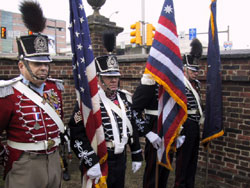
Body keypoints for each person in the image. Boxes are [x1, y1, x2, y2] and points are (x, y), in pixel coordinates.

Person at [0, 1, 65, 187]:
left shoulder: (55, 89)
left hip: (53, 160)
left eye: (46, 63)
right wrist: (9, 157)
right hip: (25, 164)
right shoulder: (8, 93)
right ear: (22, 65)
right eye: (37, 64)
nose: (44, 68)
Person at [68, 32, 143, 188]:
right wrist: (89, 160)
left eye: (116, 75)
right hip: (100, 156)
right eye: (109, 76)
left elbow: (132, 127)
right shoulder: (89, 102)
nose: (114, 80)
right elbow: (76, 133)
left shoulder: (125, 98)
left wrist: (136, 153)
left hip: (121, 157)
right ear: (99, 78)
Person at [132, 73, 173, 188]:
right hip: (155, 130)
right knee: (152, 174)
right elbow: (134, 110)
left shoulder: (171, 82)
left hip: (169, 130)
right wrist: (147, 132)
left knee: (164, 173)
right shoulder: (149, 84)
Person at [174, 38, 204, 188]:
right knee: (183, 162)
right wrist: (178, 132)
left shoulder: (197, 84)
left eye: (197, 70)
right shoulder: (179, 85)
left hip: (195, 124)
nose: (196, 73)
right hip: (184, 124)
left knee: (193, 159)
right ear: (184, 69)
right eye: (192, 70)